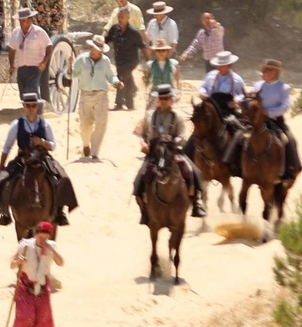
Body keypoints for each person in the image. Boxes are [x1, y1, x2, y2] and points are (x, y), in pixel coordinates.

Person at [0, 93, 78, 227]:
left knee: (62, 177)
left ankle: (59, 212)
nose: (31, 108)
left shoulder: (45, 124)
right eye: (28, 105)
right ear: (24, 106)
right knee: (3, 179)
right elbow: (7, 146)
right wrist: (1, 166)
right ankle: (5, 211)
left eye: (33, 105)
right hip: (24, 158)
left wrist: (42, 142)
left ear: (37, 106)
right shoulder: (16, 124)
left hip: (42, 157)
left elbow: (53, 145)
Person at [132, 85, 206, 220]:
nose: (164, 100)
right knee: (139, 179)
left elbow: (182, 136)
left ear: (172, 99)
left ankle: (196, 202)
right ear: (158, 99)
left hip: (172, 151)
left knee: (193, 172)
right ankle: (143, 208)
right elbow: (144, 135)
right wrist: (143, 144)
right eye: (161, 98)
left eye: (166, 98)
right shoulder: (149, 116)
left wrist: (173, 143)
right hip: (154, 152)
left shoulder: (178, 117)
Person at [225, 59, 302, 183]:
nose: (262, 72)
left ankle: (290, 169)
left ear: (274, 73)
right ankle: (233, 164)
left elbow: (285, 106)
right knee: (239, 135)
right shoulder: (258, 85)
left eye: (265, 70)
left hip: (275, 120)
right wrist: (239, 100)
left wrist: (267, 112)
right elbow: (249, 96)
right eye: (263, 70)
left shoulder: (283, 88)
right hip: (256, 120)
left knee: (289, 139)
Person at [7, 220, 63, 327]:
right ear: (36, 234)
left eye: (46, 237)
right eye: (41, 237)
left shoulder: (51, 247)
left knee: (41, 322)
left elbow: (61, 263)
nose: (43, 240)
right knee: (25, 317)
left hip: (42, 288)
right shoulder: (25, 246)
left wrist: (52, 250)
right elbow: (12, 265)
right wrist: (18, 261)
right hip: (26, 287)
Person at [69, 36, 121, 160]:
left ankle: (95, 152)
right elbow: (73, 75)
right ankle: (86, 144)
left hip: (101, 95)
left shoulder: (105, 61)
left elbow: (110, 75)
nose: (100, 51)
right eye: (97, 48)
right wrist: (69, 67)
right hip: (85, 94)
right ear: (92, 47)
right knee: (85, 125)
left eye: (101, 48)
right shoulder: (81, 60)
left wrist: (116, 82)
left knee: (101, 123)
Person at [105, 8, 145, 111]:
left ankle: (119, 104)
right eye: (119, 17)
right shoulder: (115, 29)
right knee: (127, 79)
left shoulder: (133, 32)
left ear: (128, 17)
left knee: (121, 78)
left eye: (122, 17)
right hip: (119, 60)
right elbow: (107, 39)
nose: (120, 19)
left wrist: (149, 61)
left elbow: (142, 46)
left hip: (131, 60)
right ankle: (130, 104)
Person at [6, 7, 51, 100]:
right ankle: (29, 112)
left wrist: (44, 62)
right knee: (22, 92)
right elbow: (11, 49)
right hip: (22, 67)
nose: (23, 23)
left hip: (36, 67)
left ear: (30, 20)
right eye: (21, 21)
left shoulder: (39, 32)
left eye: (25, 21)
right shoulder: (16, 33)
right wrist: (11, 65)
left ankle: (38, 111)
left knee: (31, 89)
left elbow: (49, 47)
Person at [143, 40, 181, 106]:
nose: (161, 53)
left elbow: (178, 81)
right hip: (155, 93)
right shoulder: (150, 65)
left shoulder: (174, 64)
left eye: (163, 50)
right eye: (158, 51)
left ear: (167, 52)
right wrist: (144, 79)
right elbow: (147, 83)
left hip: (169, 93)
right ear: (155, 52)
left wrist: (179, 93)